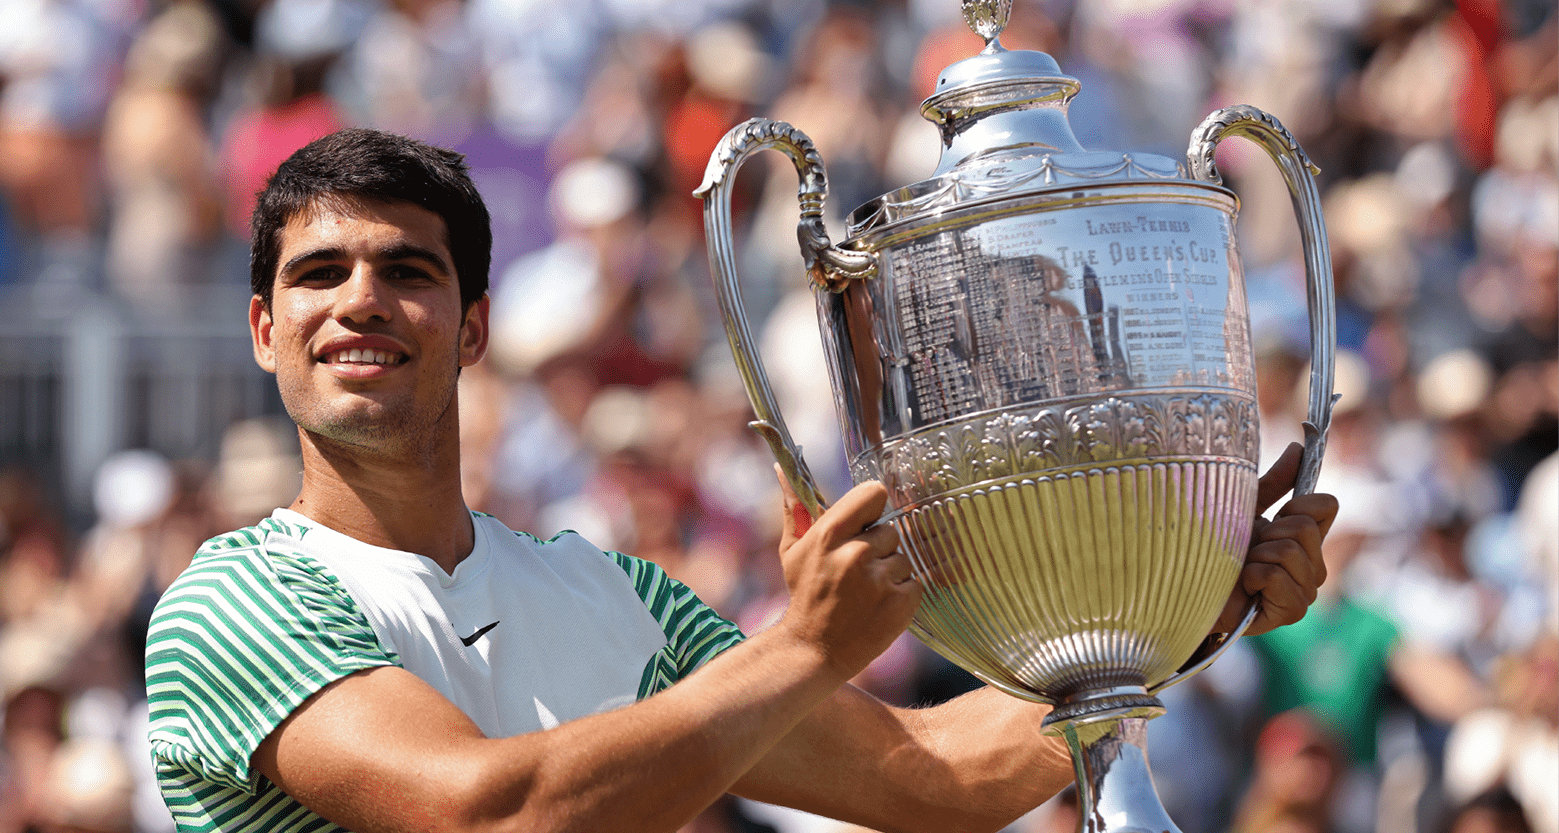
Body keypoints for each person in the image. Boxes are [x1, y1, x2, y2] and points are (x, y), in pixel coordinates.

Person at [143, 128, 1340, 833]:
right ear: (263, 327)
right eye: (318, 275)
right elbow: (487, 814)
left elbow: (938, 775)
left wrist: (1185, 602)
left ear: (469, 330)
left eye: (407, 269)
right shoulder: (228, 602)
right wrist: (801, 648)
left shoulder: (612, 592)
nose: (359, 300)